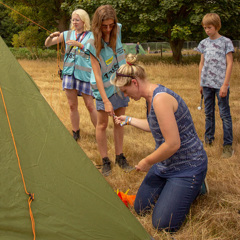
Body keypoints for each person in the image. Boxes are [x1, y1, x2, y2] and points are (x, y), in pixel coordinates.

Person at [111, 54, 208, 232]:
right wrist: (129, 119)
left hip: (187, 166)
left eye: (125, 92)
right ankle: (174, 190)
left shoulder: (160, 99)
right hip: (165, 165)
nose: (126, 96)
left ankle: (197, 185)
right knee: (141, 207)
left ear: (134, 83)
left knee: (163, 224)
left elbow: (172, 144)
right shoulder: (149, 99)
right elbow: (155, 125)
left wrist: (147, 161)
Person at [84, 5, 133, 176]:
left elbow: (121, 58)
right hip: (103, 88)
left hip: (119, 85)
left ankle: (120, 157)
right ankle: (105, 160)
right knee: (102, 124)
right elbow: (97, 75)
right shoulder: (91, 43)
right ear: (97, 25)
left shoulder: (117, 30)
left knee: (119, 121)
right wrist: (105, 100)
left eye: (110, 25)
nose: (108, 29)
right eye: (104, 26)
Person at [45, 9, 97, 141]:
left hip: (84, 75)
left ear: (84, 21)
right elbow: (48, 44)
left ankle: (99, 131)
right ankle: (75, 132)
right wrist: (52, 36)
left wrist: (79, 45)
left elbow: (93, 52)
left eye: (77, 20)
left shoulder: (91, 36)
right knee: (72, 105)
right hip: (69, 73)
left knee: (90, 105)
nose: (74, 22)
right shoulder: (67, 34)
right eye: (72, 20)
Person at [197, 13, 234, 158]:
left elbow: (230, 63)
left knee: (224, 114)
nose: (207, 30)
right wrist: (200, 82)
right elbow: (201, 63)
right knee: (208, 113)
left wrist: (225, 84)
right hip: (206, 84)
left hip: (220, 85)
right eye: (205, 28)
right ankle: (208, 140)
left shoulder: (226, 42)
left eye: (209, 27)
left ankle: (228, 145)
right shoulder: (203, 43)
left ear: (217, 26)